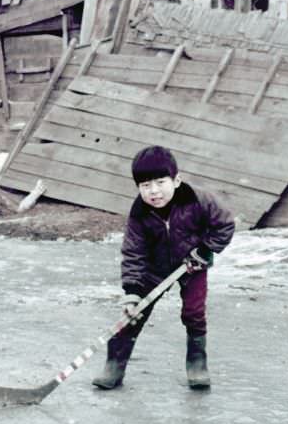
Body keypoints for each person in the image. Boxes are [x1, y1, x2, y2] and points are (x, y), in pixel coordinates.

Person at [92, 145, 235, 391]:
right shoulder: (139, 213)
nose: (154, 191)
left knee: (194, 313)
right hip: (154, 268)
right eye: (145, 186)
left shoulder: (199, 199)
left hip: (192, 265)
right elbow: (133, 252)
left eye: (160, 182)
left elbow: (225, 225)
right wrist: (133, 291)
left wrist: (205, 250)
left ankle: (197, 362)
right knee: (133, 314)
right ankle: (114, 365)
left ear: (176, 180)